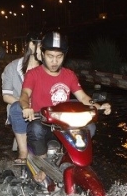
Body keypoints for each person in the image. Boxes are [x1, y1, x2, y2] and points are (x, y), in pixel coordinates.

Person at [19, 31, 111, 181]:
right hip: (43, 122)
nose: (54, 61)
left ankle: (69, 162)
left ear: (64, 56)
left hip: (64, 124)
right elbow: (24, 95)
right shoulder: (33, 74)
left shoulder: (69, 75)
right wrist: (26, 107)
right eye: (50, 56)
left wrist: (98, 106)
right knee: (35, 129)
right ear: (42, 54)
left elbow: (83, 97)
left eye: (59, 56)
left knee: (90, 128)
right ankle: (44, 165)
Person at [2, 33, 42, 164]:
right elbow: (6, 95)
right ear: (32, 45)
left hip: (42, 108)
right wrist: (26, 104)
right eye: (42, 47)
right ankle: (23, 151)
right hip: (19, 110)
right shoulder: (12, 68)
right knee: (16, 108)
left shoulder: (49, 69)